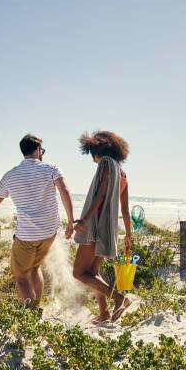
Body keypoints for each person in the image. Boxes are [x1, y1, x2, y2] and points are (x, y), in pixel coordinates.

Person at [0, 134, 75, 309]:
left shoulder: (10, 175)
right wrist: (71, 222)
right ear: (37, 150)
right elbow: (64, 190)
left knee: (21, 276)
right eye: (41, 150)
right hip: (49, 233)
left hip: (26, 235)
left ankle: (31, 312)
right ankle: (36, 306)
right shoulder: (51, 169)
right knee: (34, 268)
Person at [73, 130, 132, 324]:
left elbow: (101, 193)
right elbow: (124, 209)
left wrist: (85, 220)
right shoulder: (122, 174)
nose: (93, 160)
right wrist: (128, 234)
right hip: (108, 229)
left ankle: (119, 298)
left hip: (96, 227)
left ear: (99, 150)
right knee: (93, 273)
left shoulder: (106, 163)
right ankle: (104, 313)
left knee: (79, 273)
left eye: (92, 155)